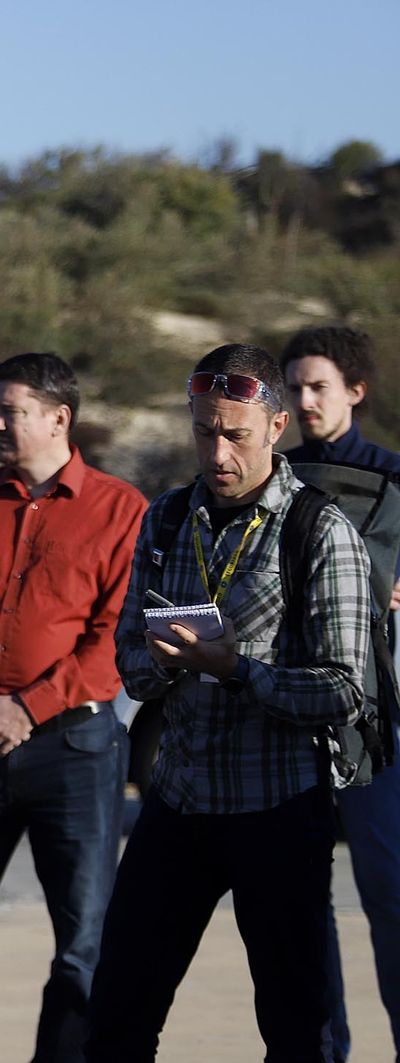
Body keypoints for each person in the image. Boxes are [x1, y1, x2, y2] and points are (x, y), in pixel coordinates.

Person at [85, 344, 373, 1062]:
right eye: (204, 431)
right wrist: (163, 662)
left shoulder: (319, 530)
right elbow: (128, 659)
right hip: (178, 802)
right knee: (115, 1018)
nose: (218, 453)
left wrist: (238, 670)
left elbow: (344, 689)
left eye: (235, 435)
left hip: (278, 807)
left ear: (276, 427)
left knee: (295, 1031)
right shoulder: (166, 518)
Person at [0, 353, 146, 1063]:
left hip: (75, 752)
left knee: (84, 944)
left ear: (59, 418)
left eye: (10, 411)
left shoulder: (123, 510)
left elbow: (117, 638)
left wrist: (28, 706)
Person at [280, 325, 400, 1061]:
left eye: (318, 386)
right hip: (290, 719)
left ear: (356, 390)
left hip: (380, 726)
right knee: (301, 907)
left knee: (391, 897)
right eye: (294, 388)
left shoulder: (394, 479)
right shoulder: (274, 477)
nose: (305, 401)